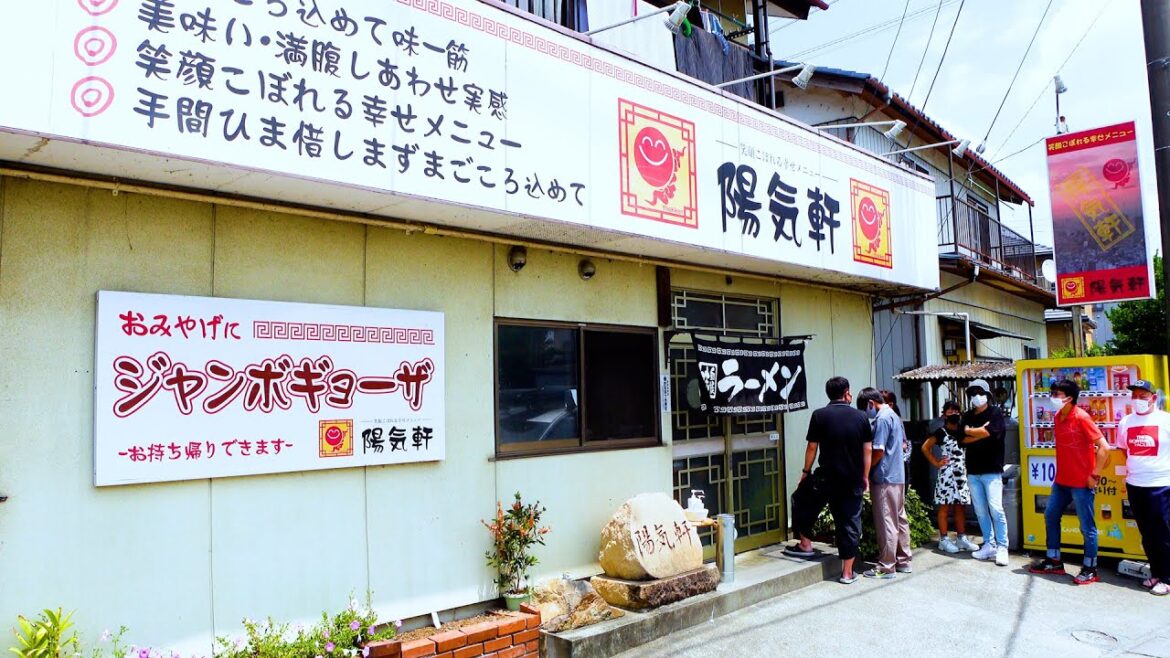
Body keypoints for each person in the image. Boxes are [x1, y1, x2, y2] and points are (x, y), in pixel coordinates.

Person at [785, 376, 873, 584]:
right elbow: (868, 449)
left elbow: (812, 447)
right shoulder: (861, 417)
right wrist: (865, 476)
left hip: (826, 478)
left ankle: (805, 544)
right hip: (852, 479)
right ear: (846, 393)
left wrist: (806, 472)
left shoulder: (819, 415)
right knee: (849, 521)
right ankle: (847, 573)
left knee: (800, 500)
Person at [1028, 378, 1110, 585]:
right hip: (1062, 481)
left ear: (1070, 398)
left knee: (1087, 527)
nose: (1052, 397)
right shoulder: (1057, 416)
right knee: (1050, 515)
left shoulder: (1082, 417)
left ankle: (1090, 568)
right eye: (1052, 393)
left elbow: (1104, 447)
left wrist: (1094, 475)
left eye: (1057, 394)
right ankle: (1054, 560)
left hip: (1081, 483)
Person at [1116, 379, 1170, 596]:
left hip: (1161, 484)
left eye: (1143, 396)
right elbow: (1124, 449)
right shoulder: (1125, 422)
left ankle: (1167, 578)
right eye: (1135, 396)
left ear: (1153, 398)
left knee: (1163, 532)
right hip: (1135, 484)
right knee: (1147, 533)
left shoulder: (1165, 420)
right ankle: (1156, 573)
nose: (1138, 399)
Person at [859, 387, 912, 578]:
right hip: (898, 476)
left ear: (871, 403)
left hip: (884, 477)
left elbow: (878, 450)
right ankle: (903, 560)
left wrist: (866, 471)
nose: (867, 414)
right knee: (900, 518)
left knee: (886, 521)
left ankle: (886, 566)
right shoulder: (894, 416)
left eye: (865, 409)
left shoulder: (881, 419)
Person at [961, 378, 1010, 566]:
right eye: (973, 393)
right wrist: (980, 431)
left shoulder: (995, 412)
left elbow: (992, 432)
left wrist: (971, 431)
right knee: (980, 510)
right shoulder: (967, 415)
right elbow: (961, 438)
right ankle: (989, 544)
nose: (977, 397)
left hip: (992, 469)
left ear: (987, 395)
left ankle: (1002, 546)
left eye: (980, 393)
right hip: (973, 470)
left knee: (996, 509)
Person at [922, 400, 977, 553]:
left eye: (956, 411)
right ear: (944, 415)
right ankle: (944, 539)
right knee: (944, 507)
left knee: (960, 507)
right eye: (950, 411)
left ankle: (961, 538)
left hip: (961, 473)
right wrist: (936, 462)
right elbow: (925, 447)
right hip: (946, 474)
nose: (954, 414)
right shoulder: (940, 432)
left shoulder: (962, 430)